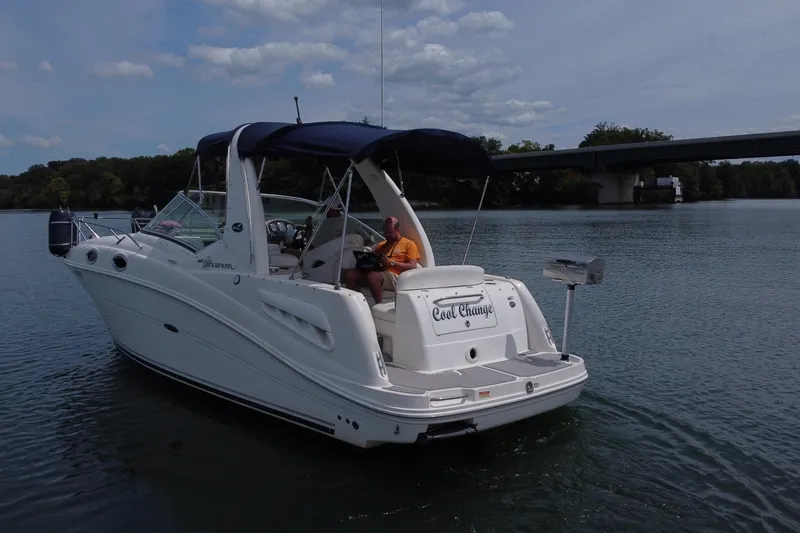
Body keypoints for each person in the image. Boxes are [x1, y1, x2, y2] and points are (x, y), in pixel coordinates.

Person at [345, 216, 420, 304]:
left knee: (373, 276)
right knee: (351, 274)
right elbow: (373, 258)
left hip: (395, 276)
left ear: (397, 230)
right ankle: (354, 303)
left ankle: (379, 304)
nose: (387, 235)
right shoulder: (381, 245)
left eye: (389, 232)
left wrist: (391, 263)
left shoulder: (409, 244)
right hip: (378, 272)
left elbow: (412, 266)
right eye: (385, 232)